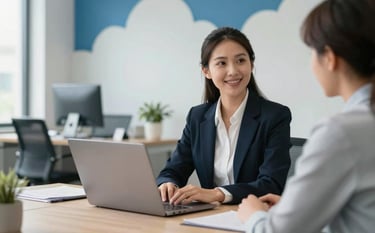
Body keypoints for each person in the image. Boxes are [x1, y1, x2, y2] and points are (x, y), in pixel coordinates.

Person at [237, 0, 375, 232]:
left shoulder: (341, 133)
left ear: (329, 57)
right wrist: (299, 209)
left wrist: (254, 216)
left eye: (312, 51)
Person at [156, 27, 292, 205]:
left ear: (251, 64)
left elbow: (271, 184)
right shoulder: (197, 117)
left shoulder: (275, 116)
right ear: (206, 71)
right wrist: (168, 183)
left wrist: (218, 194)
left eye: (241, 60)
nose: (233, 71)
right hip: (208, 218)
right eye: (221, 63)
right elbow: (173, 170)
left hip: (254, 218)